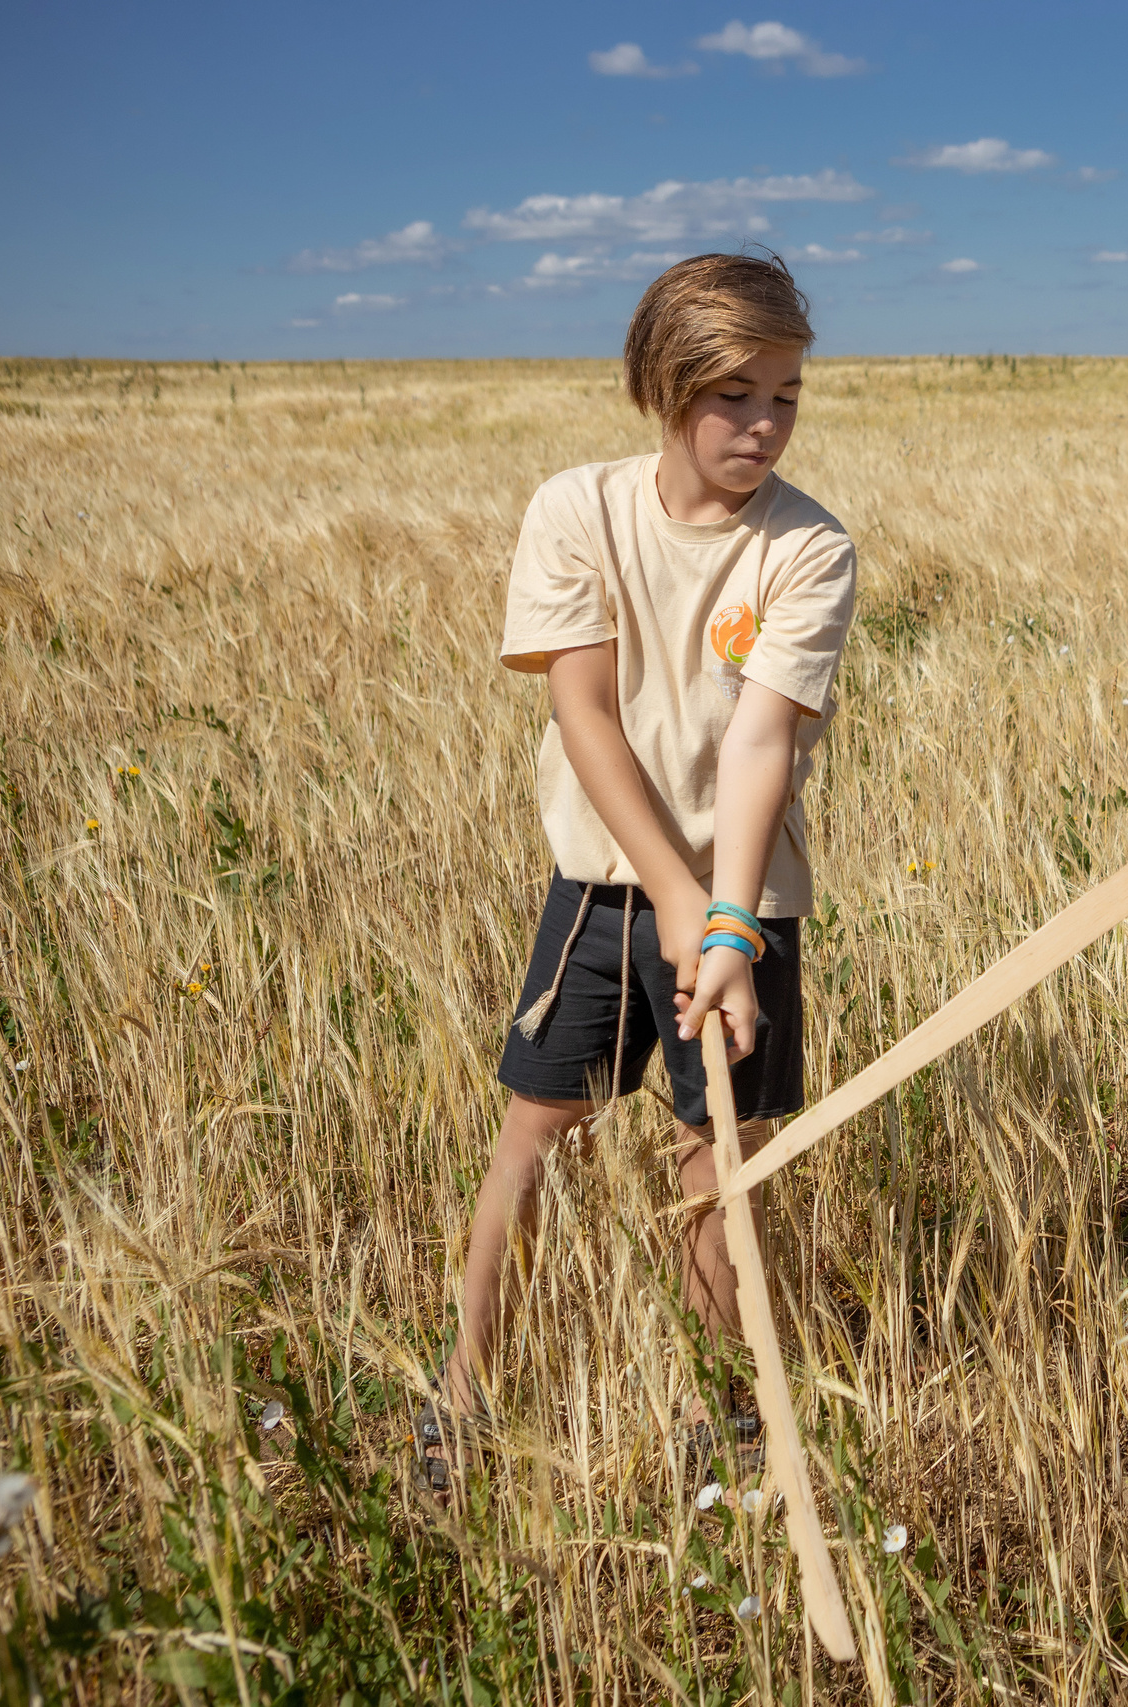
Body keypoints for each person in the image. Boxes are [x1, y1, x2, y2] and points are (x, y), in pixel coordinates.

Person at [421, 251, 856, 1494]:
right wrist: (670, 897)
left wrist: (727, 925)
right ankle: (458, 1400)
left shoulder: (807, 548)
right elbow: (586, 714)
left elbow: (763, 735)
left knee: (718, 1155)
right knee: (532, 1135)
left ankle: (725, 1419)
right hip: (604, 889)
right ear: (666, 391)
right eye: (735, 397)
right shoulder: (578, 509)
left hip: (744, 901)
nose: (765, 425)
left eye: (785, 396)